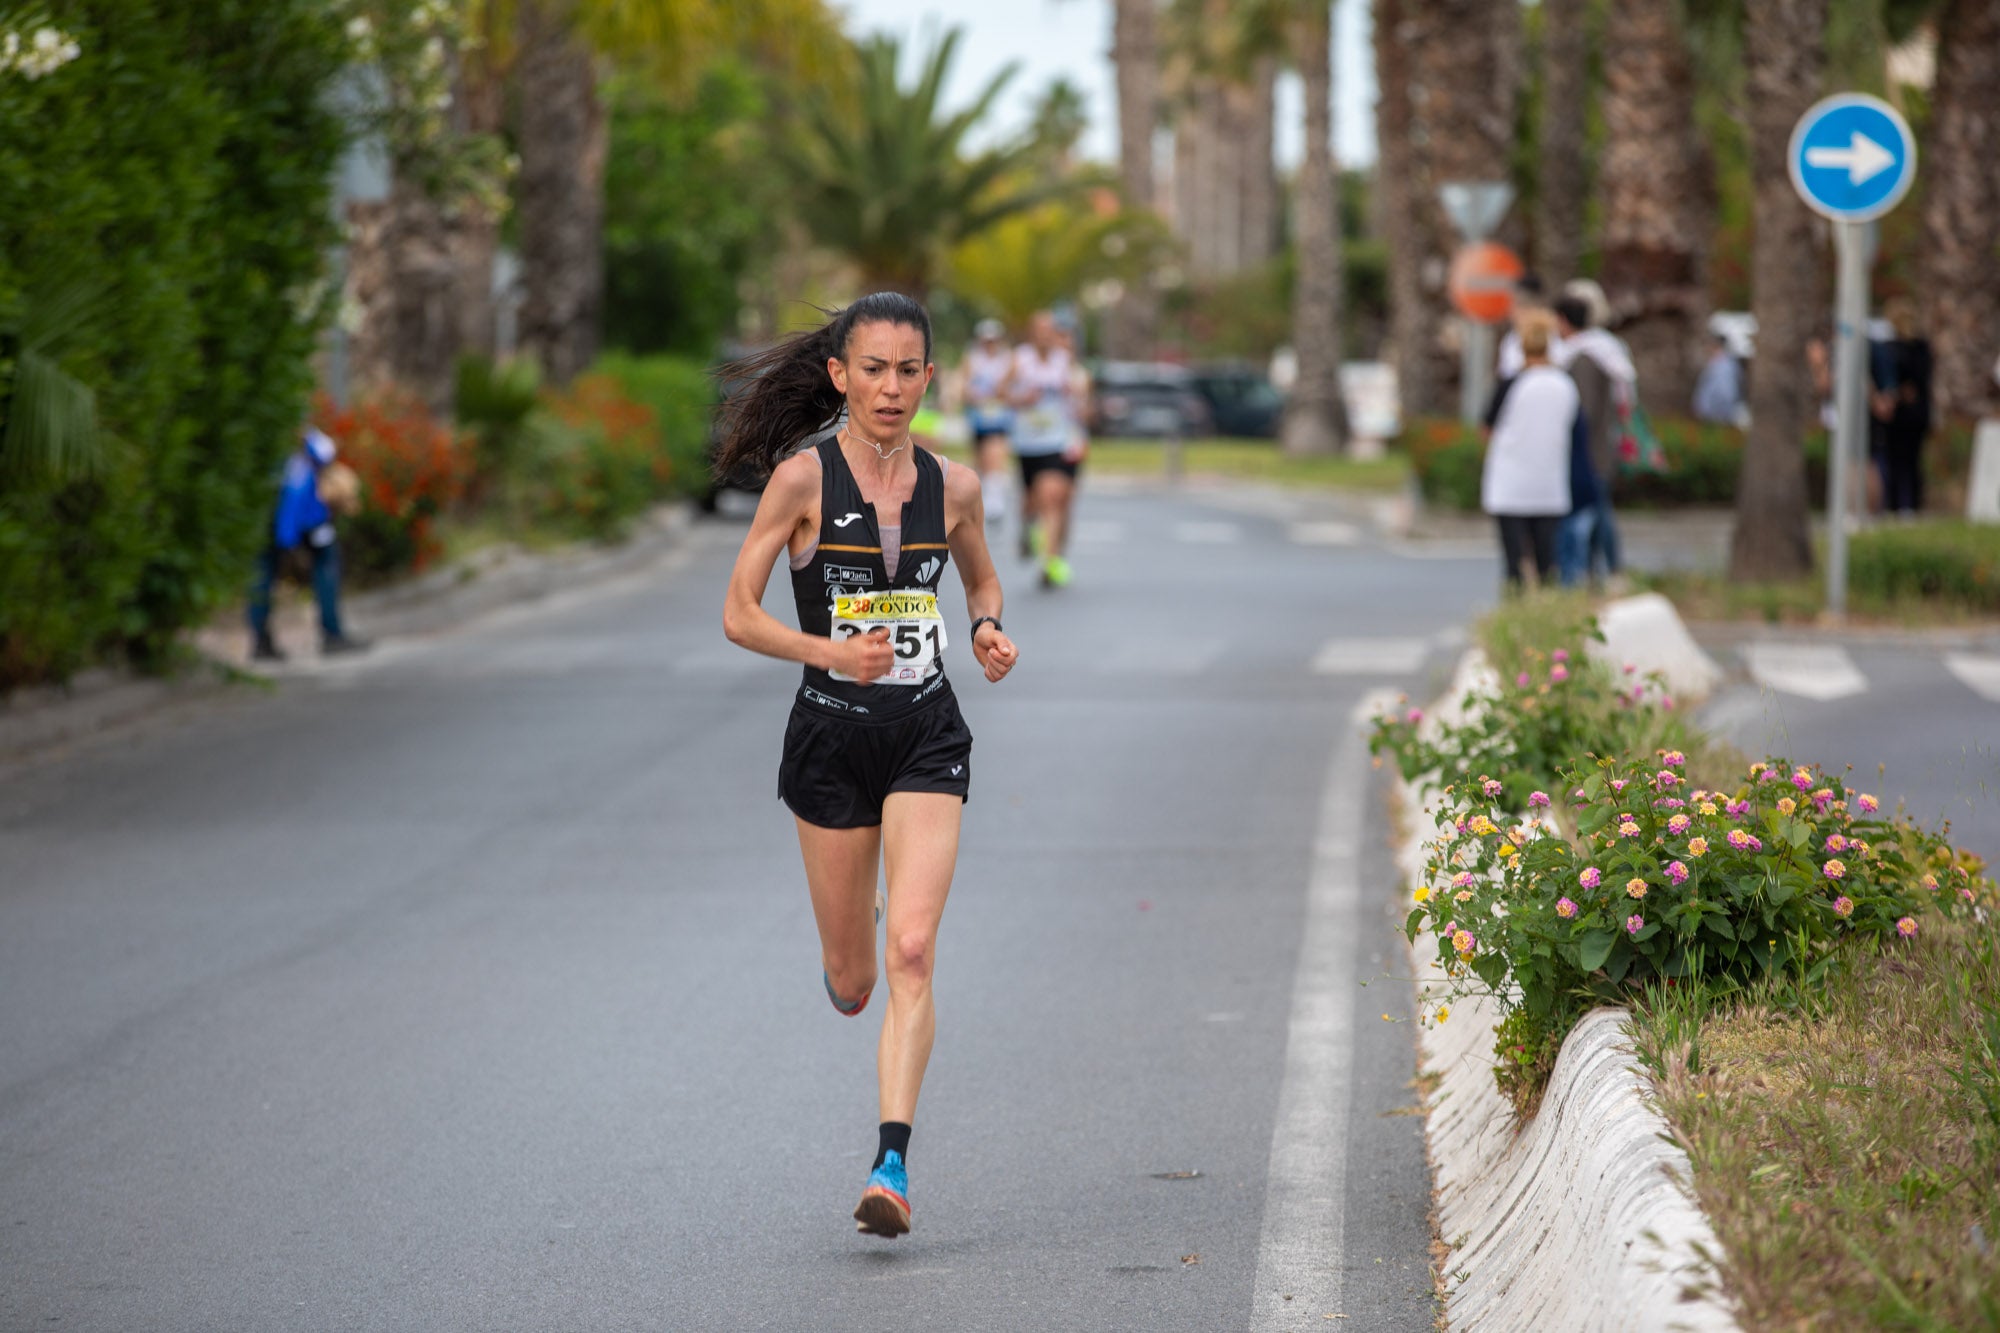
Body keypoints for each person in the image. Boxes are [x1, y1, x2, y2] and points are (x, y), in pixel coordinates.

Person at [717, 292, 1020, 1240]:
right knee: (856, 979)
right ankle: (857, 943)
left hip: (926, 732)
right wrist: (829, 654)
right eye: (874, 369)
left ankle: (890, 1163)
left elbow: (981, 574)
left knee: (913, 951)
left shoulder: (954, 486)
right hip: (831, 738)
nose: (892, 388)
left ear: (931, 378)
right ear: (840, 375)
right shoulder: (801, 479)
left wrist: (985, 625)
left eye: (908, 370)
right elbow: (739, 613)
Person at [247, 426, 367, 661]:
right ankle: (331, 634)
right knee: (326, 565)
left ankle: (261, 641)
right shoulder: (301, 460)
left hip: (266, 518)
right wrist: (289, 543)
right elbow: (293, 504)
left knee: (261, 575)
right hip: (301, 523)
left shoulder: (265, 447)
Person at [1482, 311, 1578, 591]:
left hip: (1510, 484)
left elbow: (1487, 427)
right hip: (1549, 483)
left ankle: (1517, 604)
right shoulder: (1565, 385)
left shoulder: (1512, 383)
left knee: (1514, 562)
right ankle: (1547, 606)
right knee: (1547, 561)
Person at [1553, 295, 1636, 583]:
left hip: (1590, 451)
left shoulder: (1583, 359)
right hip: (1601, 446)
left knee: (1596, 513)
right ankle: (1600, 571)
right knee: (1597, 512)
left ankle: (1607, 571)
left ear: (1563, 320)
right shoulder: (1604, 350)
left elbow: (1583, 411)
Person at [1002, 311, 1087, 588]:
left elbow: (1079, 396)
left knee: (1052, 497)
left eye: (1050, 330)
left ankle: (1048, 563)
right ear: (1032, 333)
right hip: (1027, 444)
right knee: (1031, 502)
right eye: (1040, 330)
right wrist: (1021, 399)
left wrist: (1076, 396)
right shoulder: (1020, 359)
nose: (1045, 336)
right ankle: (1027, 528)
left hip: (1057, 442)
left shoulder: (1064, 360)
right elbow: (1000, 391)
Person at [1871, 297, 1933, 516]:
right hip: (1906, 412)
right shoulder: (1918, 349)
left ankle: (1903, 504)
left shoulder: (1900, 349)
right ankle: (1904, 504)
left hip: (1906, 413)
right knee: (1903, 460)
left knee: (1904, 460)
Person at [956, 319, 1016, 537]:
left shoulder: (1007, 359)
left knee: (995, 452)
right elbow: (963, 387)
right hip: (978, 416)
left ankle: (994, 501)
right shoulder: (972, 358)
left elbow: (1010, 386)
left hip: (998, 416)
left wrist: (1001, 393)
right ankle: (982, 499)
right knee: (981, 458)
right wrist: (970, 395)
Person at [1692, 333, 1745, 425]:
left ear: (1716, 346)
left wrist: (1716, 413)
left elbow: (1727, 393)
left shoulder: (1725, 367)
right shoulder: (1715, 364)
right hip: (1710, 418)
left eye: (1710, 345)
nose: (1707, 348)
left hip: (1717, 418)